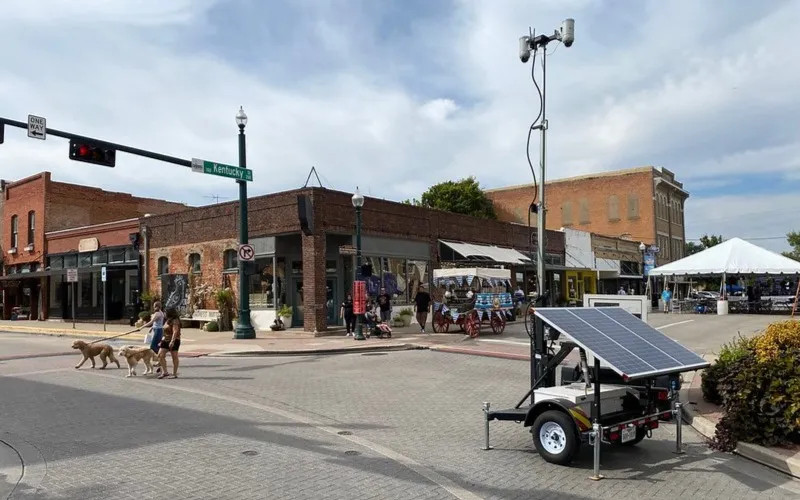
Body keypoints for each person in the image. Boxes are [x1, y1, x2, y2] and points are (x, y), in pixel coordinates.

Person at [138, 301, 166, 374]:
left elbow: (151, 322)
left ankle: (160, 359)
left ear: (157, 306)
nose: (154, 307)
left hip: (158, 331)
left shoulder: (158, 314)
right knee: (157, 346)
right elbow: (156, 323)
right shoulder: (161, 312)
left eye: (154, 306)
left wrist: (142, 327)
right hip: (157, 329)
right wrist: (152, 328)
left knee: (153, 346)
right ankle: (160, 361)